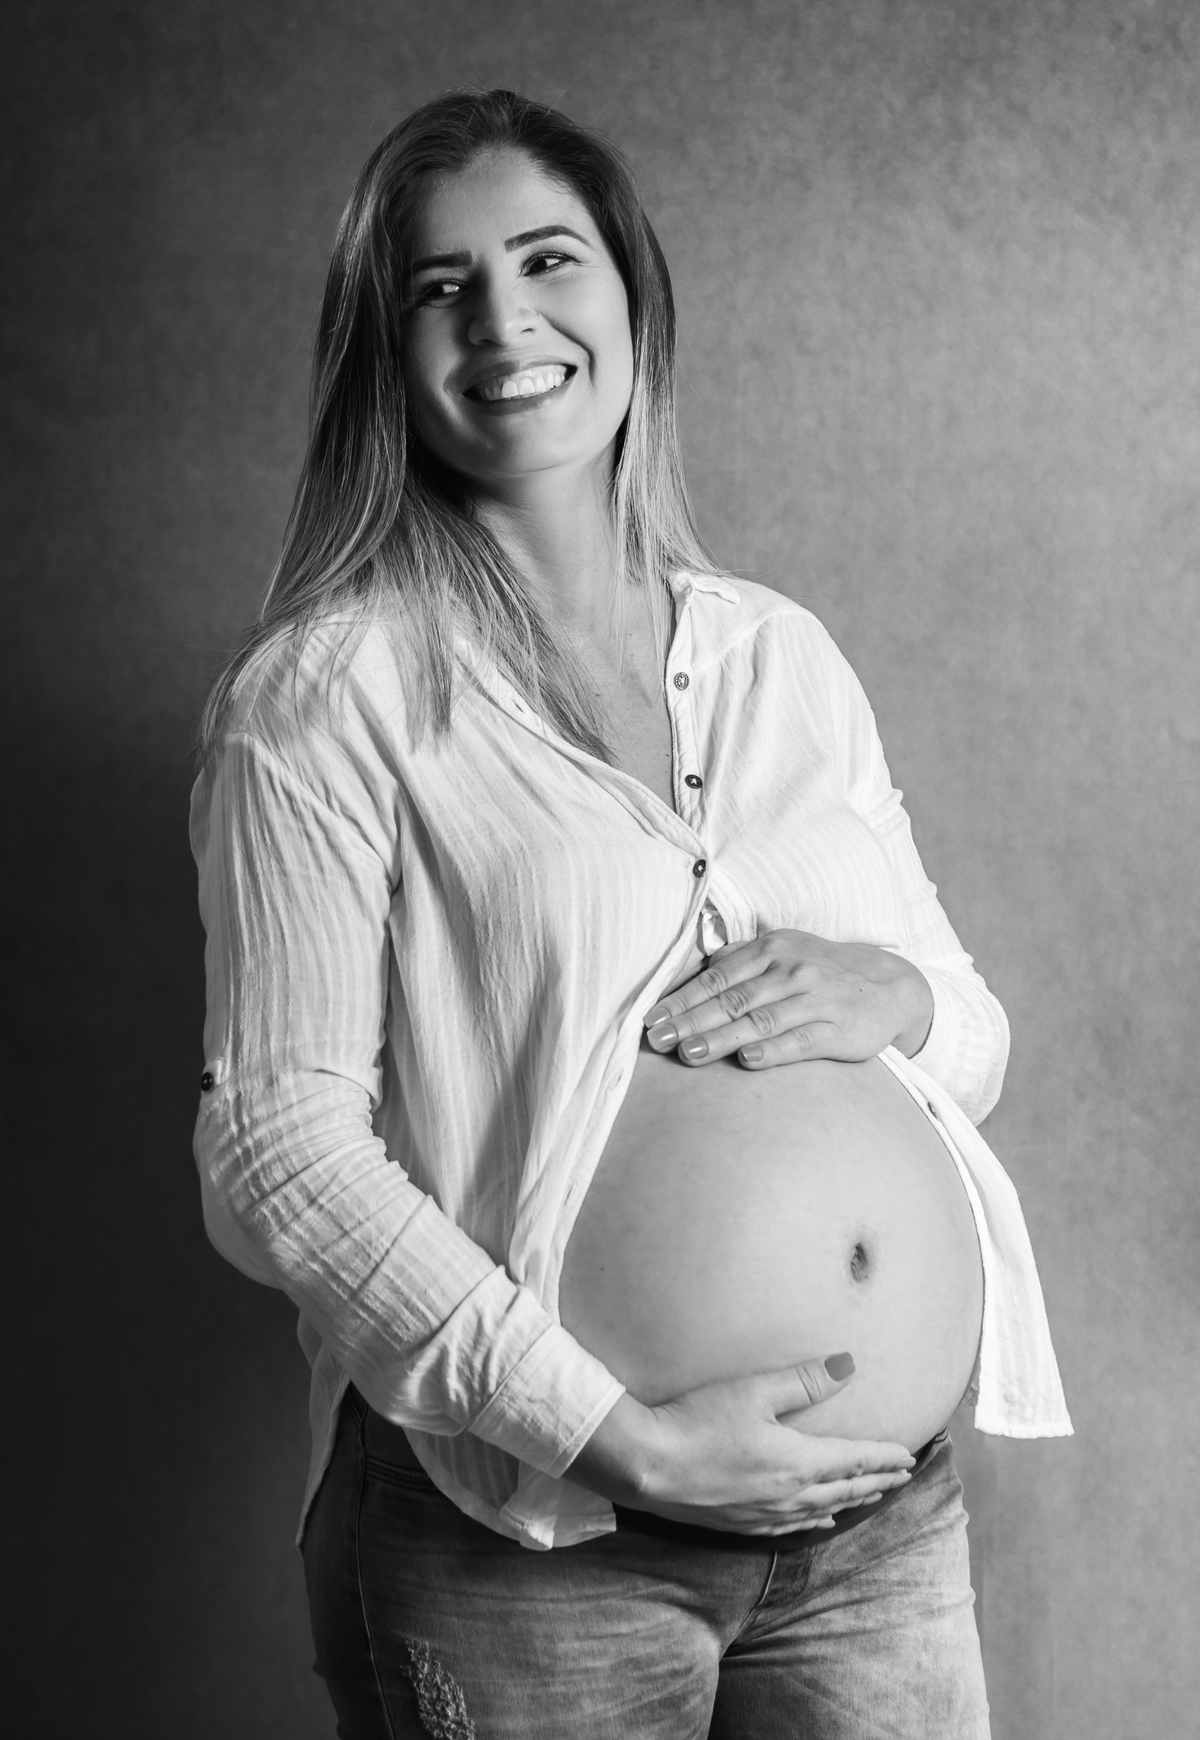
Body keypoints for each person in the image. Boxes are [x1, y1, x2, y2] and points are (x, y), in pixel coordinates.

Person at [191, 88, 1071, 1739]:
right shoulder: (324, 697)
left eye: (547, 260)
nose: (503, 321)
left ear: (630, 295)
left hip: (878, 1530)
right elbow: (275, 1153)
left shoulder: (777, 656)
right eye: (441, 287)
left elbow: (969, 1034)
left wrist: (893, 996)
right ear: (387, 351)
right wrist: (615, 1435)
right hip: (537, 1538)